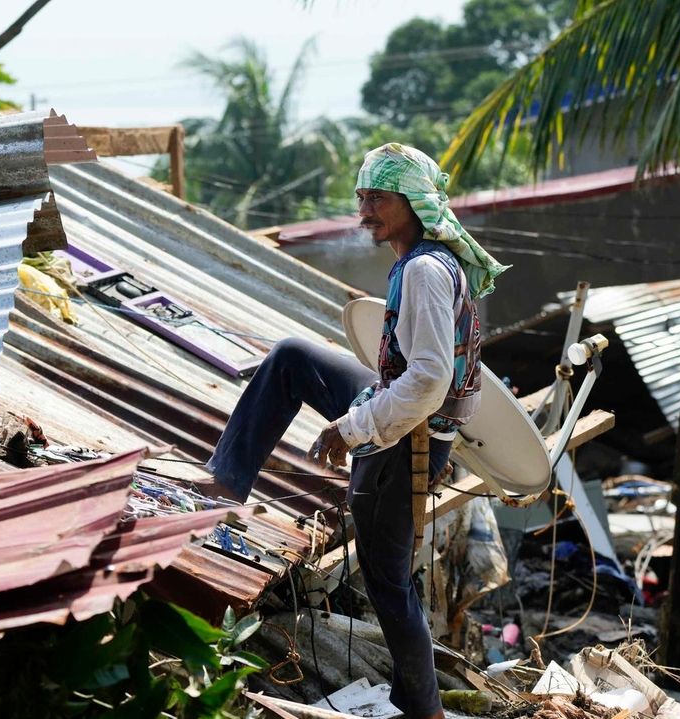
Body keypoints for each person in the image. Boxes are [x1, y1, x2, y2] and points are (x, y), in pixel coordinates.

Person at [198, 143, 508, 719]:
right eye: (361, 197)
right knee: (292, 357)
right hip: (400, 412)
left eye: (379, 199)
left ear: (414, 203)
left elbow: (430, 380)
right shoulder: (425, 260)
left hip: (406, 437)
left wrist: (351, 427)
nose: (364, 211)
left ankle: (424, 708)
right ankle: (225, 480)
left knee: (389, 582)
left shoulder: (423, 270)